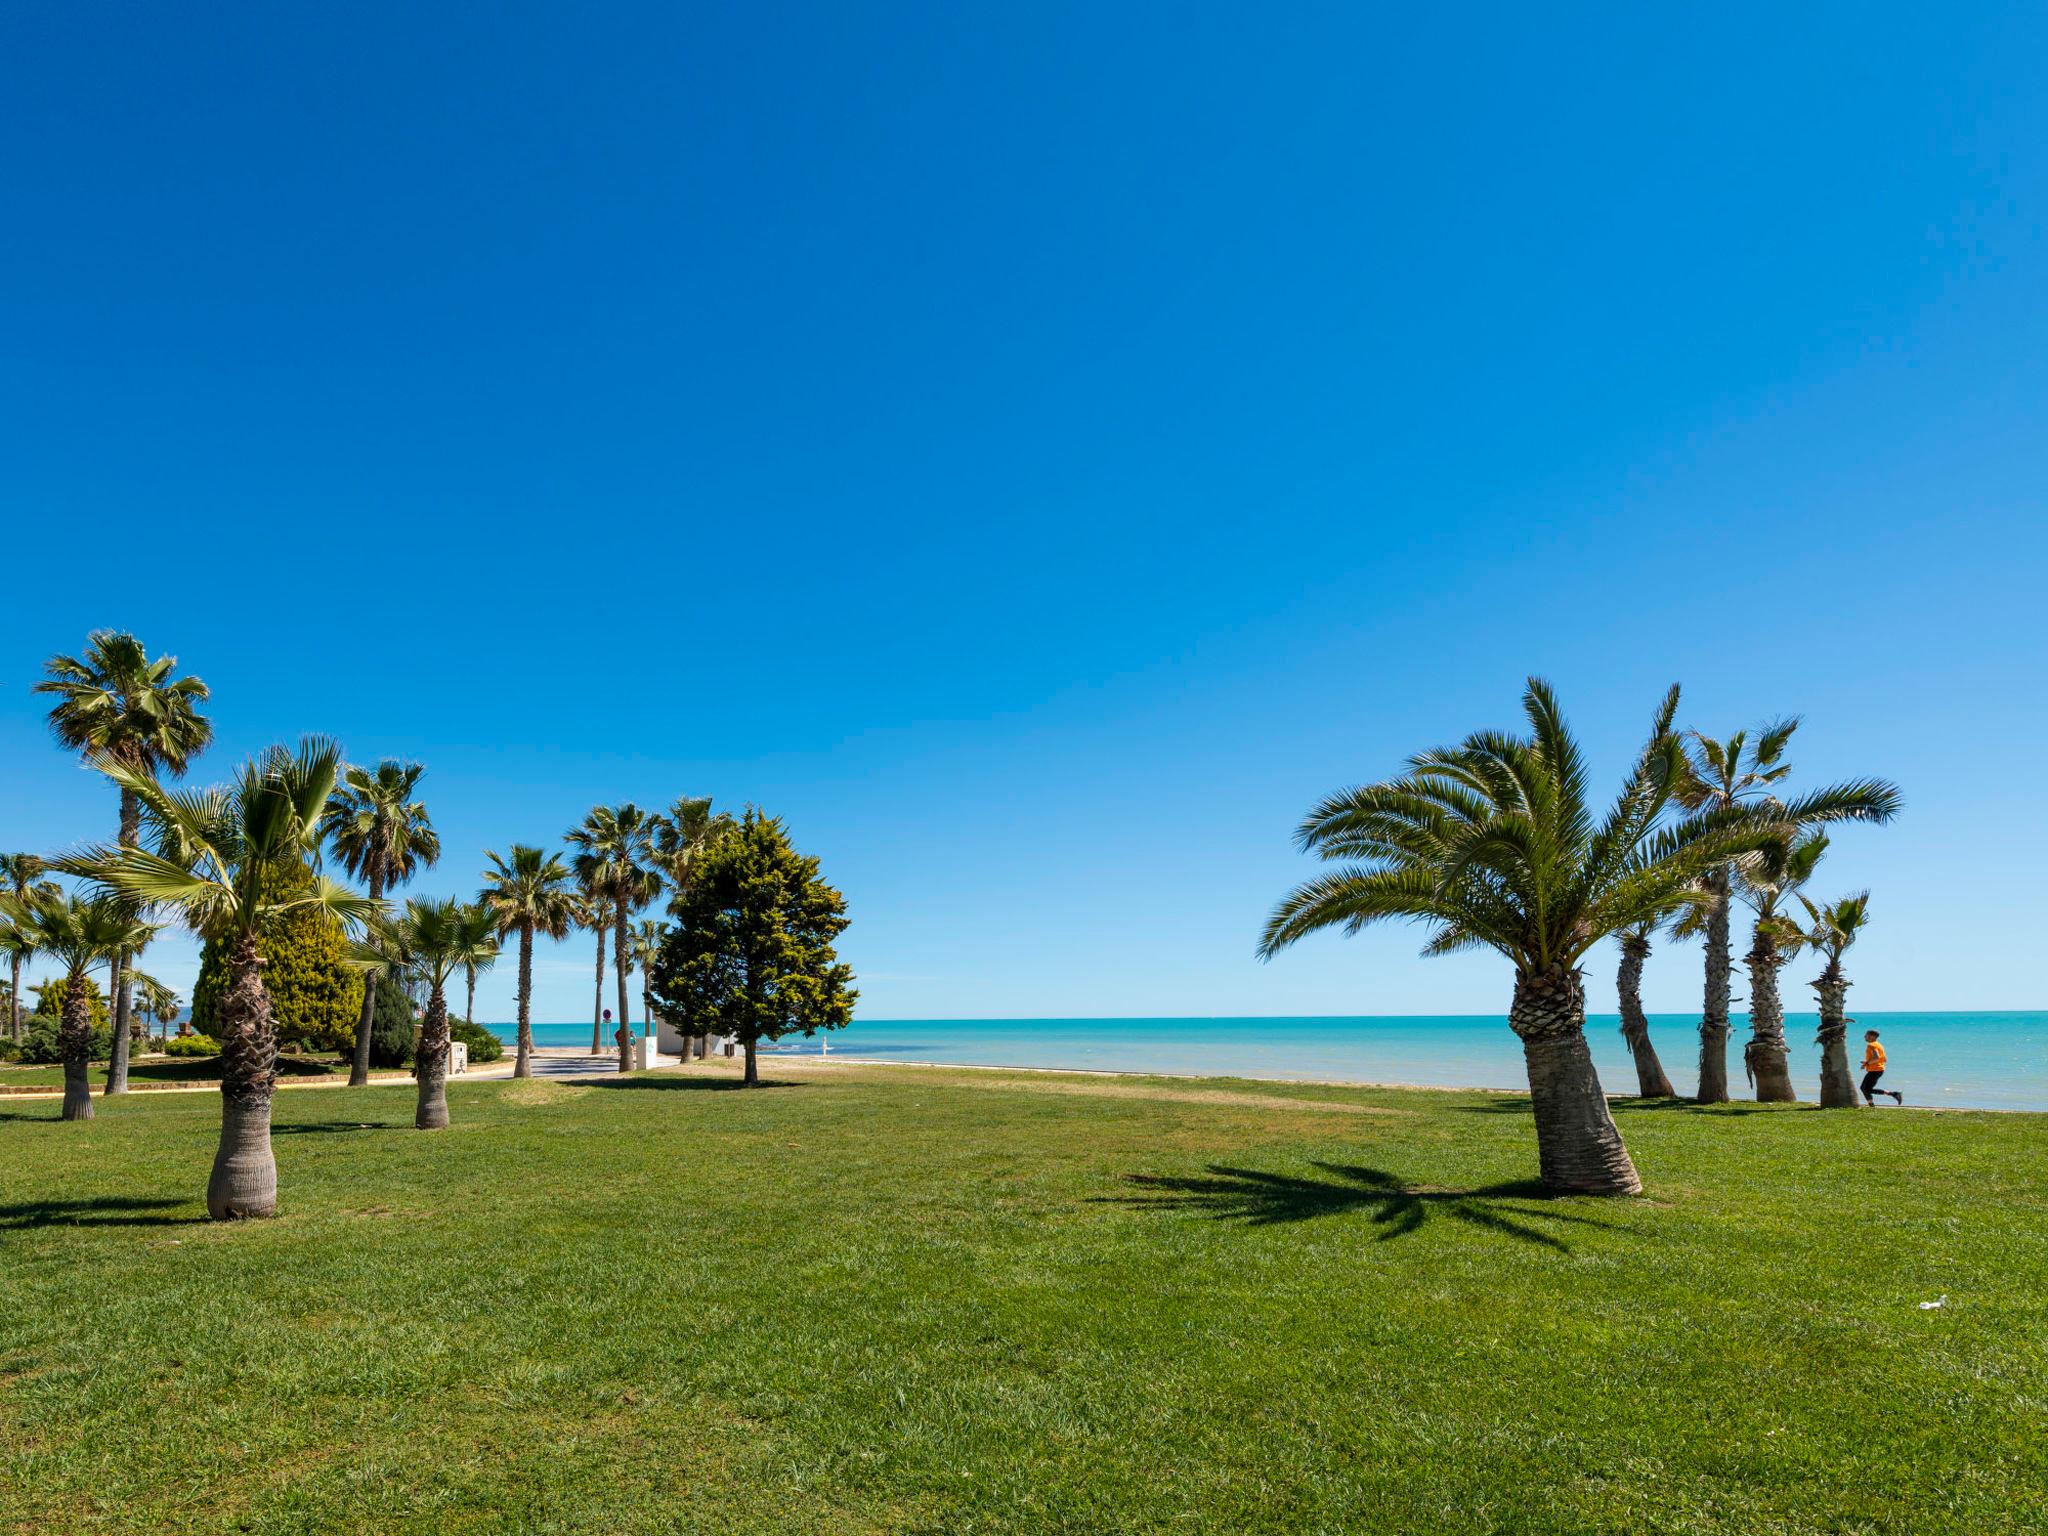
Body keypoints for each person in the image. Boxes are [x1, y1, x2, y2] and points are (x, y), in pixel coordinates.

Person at [1860, 1029, 1903, 1106]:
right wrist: (1867, 1063)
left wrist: (1867, 1063)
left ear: (1872, 1036)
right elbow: (1884, 1059)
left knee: (1866, 1089)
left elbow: (1876, 1057)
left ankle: (1894, 1094)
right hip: (1878, 1070)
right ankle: (1871, 1105)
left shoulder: (1871, 1045)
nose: (1864, 1037)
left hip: (1875, 1070)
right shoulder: (1879, 1045)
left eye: (1866, 1035)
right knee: (1864, 1088)